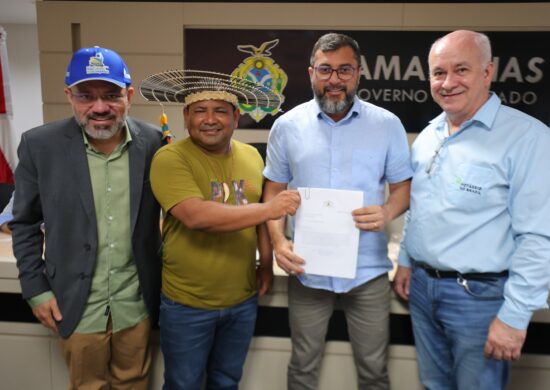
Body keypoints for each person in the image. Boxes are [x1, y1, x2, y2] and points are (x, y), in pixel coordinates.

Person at [393, 30, 550, 390]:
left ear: (487, 72)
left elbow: (538, 238)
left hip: (479, 299)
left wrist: (514, 317)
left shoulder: (528, 138)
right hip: (421, 288)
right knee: (434, 385)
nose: (447, 83)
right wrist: (405, 259)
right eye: (438, 73)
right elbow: (421, 206)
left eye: (460, 69)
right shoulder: (430, 134)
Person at [263, 33, 413, 390]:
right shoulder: (287, 126)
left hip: (368, 272)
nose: (334, 79)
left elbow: (403, 189)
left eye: (344, 69)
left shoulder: (387, 125)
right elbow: (273, 192)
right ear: (311, 72)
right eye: (325, 69)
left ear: (359, 73)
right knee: (302, 366)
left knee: (374, 371)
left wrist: (387, 211)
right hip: (307, 270)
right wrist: (278, 241)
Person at [10, 46, 164, 389]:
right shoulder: (40, 146)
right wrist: (36, 290)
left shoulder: (154, 142)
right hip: (74, 303)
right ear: (69, 96)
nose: (99, 108)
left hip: (135, 302)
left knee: (135, 383)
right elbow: (24, 222)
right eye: (85, 96)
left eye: (111, 95)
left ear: (129, 94)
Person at [141, 69, 301, 389]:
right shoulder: (169, 158)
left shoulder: (252, 156)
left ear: (236, 117)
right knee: (182, 384)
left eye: (220, 111)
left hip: (241, 301)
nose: (210, 119)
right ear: (186, 117)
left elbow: (259, 222)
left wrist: (265, 264)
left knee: (227, 382)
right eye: (200, 110)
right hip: (187, 304)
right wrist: (270, 208)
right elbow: (197, 216)